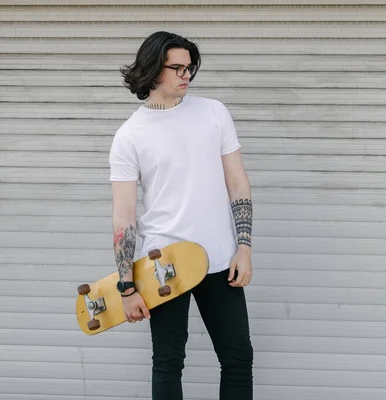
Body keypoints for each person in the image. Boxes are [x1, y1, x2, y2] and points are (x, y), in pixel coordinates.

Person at [108, 31, 254, 400]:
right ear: (154, 69)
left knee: (238, 358)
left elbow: (237, 183)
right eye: (177, 68)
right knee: (169, 361)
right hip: (163, 264)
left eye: (190, 68)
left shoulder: (214, 112)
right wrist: (126, 286)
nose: (186, 75)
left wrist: (245, 248)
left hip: (221, 259)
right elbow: (124, 216)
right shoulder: (129, 136)